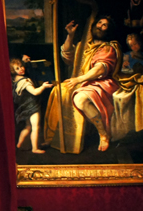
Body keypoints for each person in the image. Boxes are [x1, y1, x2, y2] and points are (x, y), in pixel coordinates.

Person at [44, 17, 121, 152]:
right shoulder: (83, 45)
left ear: (108, 30)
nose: (100, 26)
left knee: (80, 99)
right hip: (83, 81)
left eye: (105, 25)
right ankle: (55, 136)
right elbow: (67, 57)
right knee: (59, 90)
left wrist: (79, 80)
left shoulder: (108, 48)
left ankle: (103, 134)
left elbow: (100, 69)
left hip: (101, 82)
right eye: (99, 23)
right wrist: (70, 36)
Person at [11, 58, 53, 153]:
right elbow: (35, 92)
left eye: (21, 66)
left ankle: (18, 144)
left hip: (25, 107)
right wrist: (43, 86)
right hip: (32, 107)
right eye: (17, 68)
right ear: (13, 71)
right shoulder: (25, 81)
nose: (21, 69)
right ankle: (35, 148)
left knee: (28, 127)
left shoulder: (16, 80)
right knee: (35, 127)